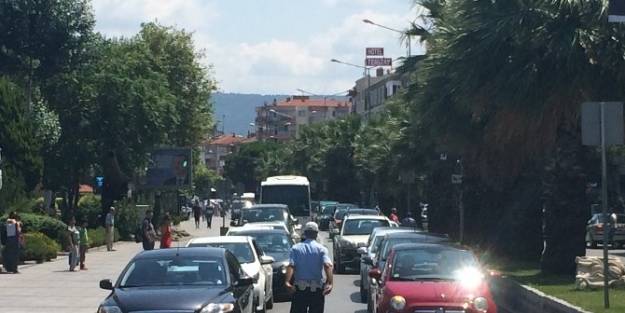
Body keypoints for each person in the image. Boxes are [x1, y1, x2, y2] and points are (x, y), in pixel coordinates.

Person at [285, 222, 333, 313]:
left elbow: (291, 265)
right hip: (316, 288)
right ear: (316, 234)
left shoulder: (295, 248)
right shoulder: (322, 249)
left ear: (305, 233)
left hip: (300, 289)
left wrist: (287, 282)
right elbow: (327, 265)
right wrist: (330, 283)